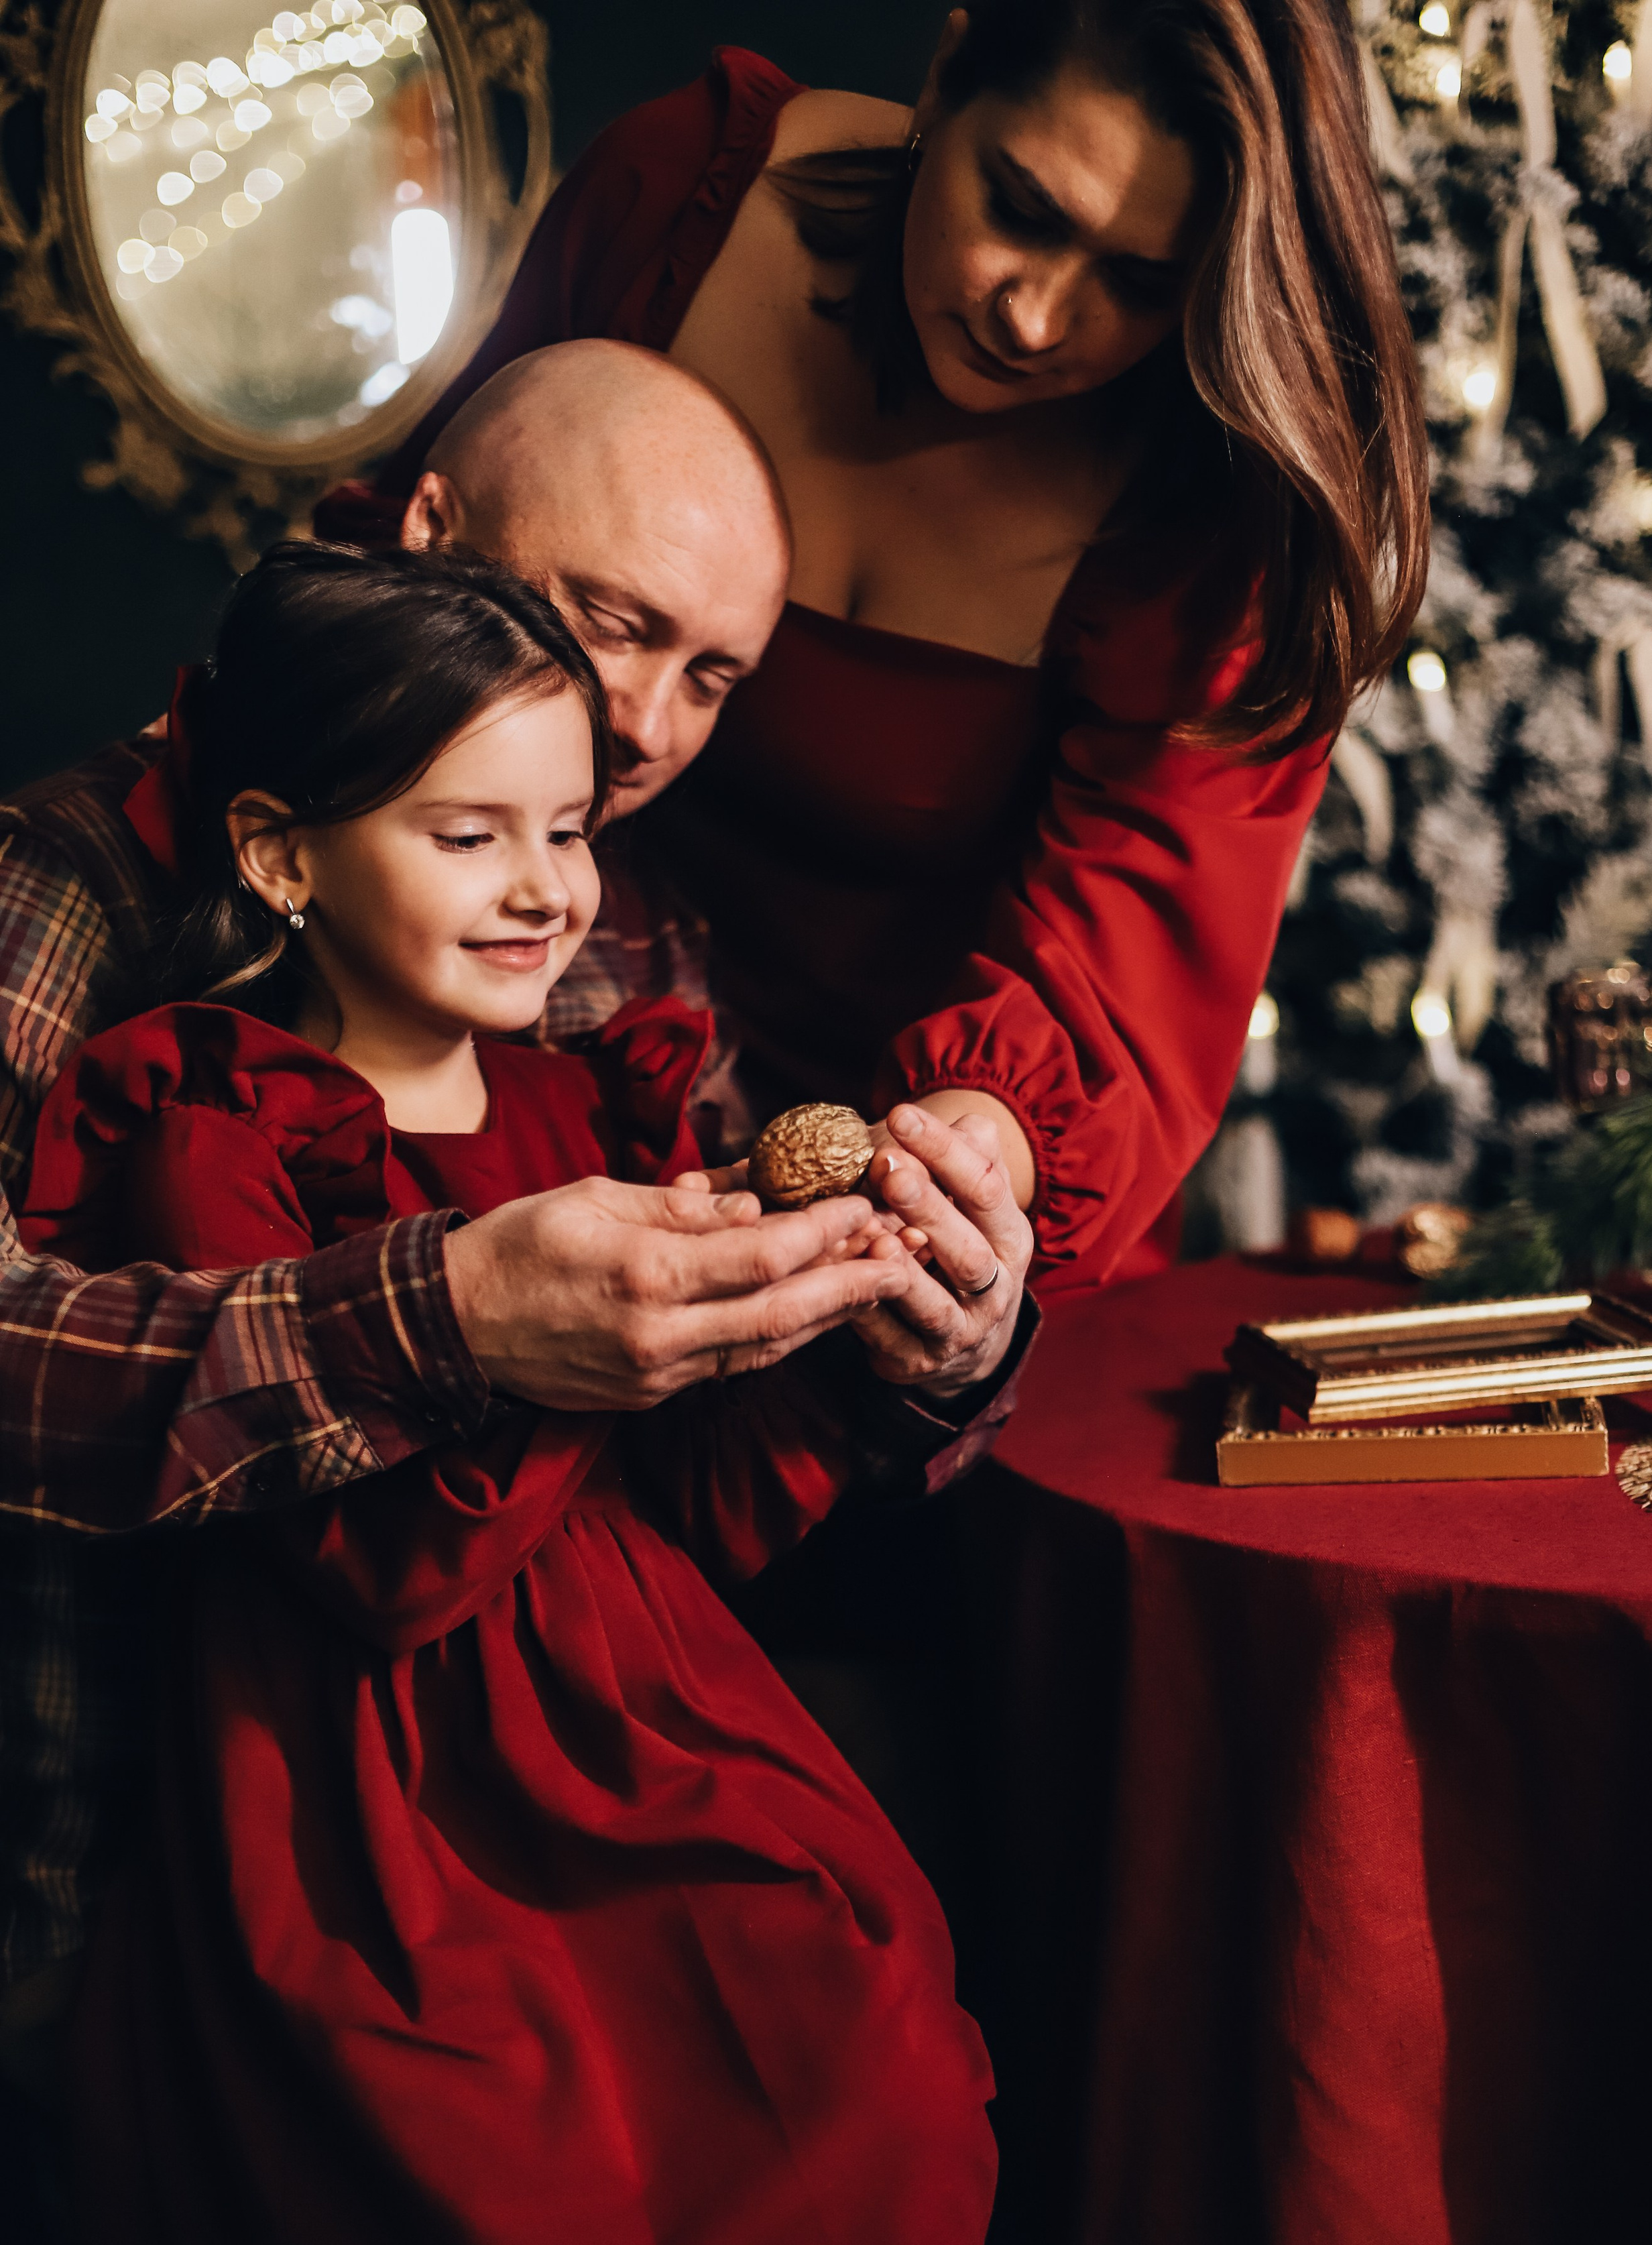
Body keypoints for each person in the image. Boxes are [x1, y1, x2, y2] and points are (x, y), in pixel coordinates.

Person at [23, 540, 1026, 2245]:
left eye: (567, 827)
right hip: (390, 1829)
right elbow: (383, 1574)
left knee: (915, 2129)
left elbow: (691, 1520)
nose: (549, 885)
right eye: (469, 831)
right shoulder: (216, 1124)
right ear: (284, 857)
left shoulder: (598, 1095)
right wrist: (522, 1328)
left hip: (656, 1745)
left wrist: (845, 1336)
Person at [0, 341, 1020, 2082]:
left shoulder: (617, 955)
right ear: (427, 534)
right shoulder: (72, 886)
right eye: (613, 622)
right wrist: (441, 1321)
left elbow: (706, 1443)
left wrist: (913, 1327)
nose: (644, 729)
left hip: (558, 1793)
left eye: (713, 678)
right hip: (129, 1838)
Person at [342, 0, 1429, 1292]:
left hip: (929, 1191)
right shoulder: (672, 205)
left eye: (1142, 284)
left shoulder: (1216, 516)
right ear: (954, 60)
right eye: (1022, 207)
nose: (1036, 319)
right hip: (510, 1083)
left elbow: (1120, 986)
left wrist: (923, 1193)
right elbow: (416, 597)